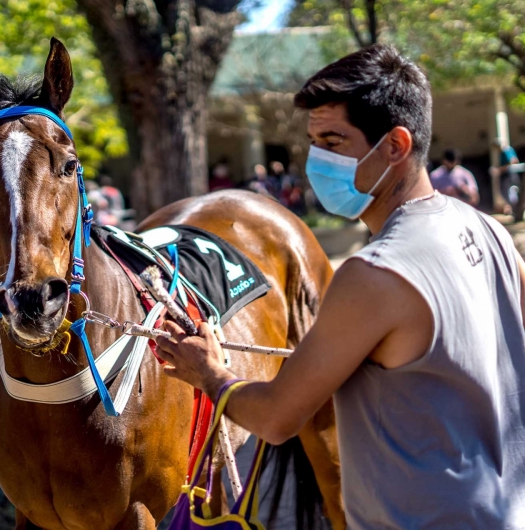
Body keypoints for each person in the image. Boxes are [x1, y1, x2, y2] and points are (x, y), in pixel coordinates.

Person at [156, 44, 525, 528]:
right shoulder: (488, 230)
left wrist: (209, 372)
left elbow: (277, 418)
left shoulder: (375, 272)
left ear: (395, 146)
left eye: (333, 141)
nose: (318, 161)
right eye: (314, 142)